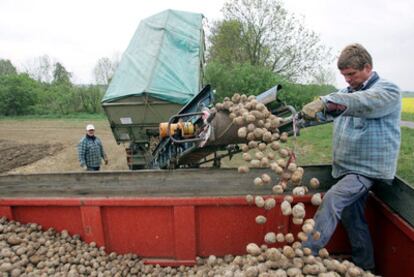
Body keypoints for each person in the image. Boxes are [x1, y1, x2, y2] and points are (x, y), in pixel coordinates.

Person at [301, 43, 401, 271]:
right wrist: (297, 120)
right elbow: (329, 111)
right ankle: (366, 267)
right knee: (353, 218)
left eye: (351, 74)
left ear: (367, 67)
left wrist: (325, 101)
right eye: (344, 75)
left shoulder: (388, 91)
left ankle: (306, 253)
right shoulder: (347, 94)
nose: (347, 79)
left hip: (366, 170)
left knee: (333, 199)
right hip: (346, 169)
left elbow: (362, 103)